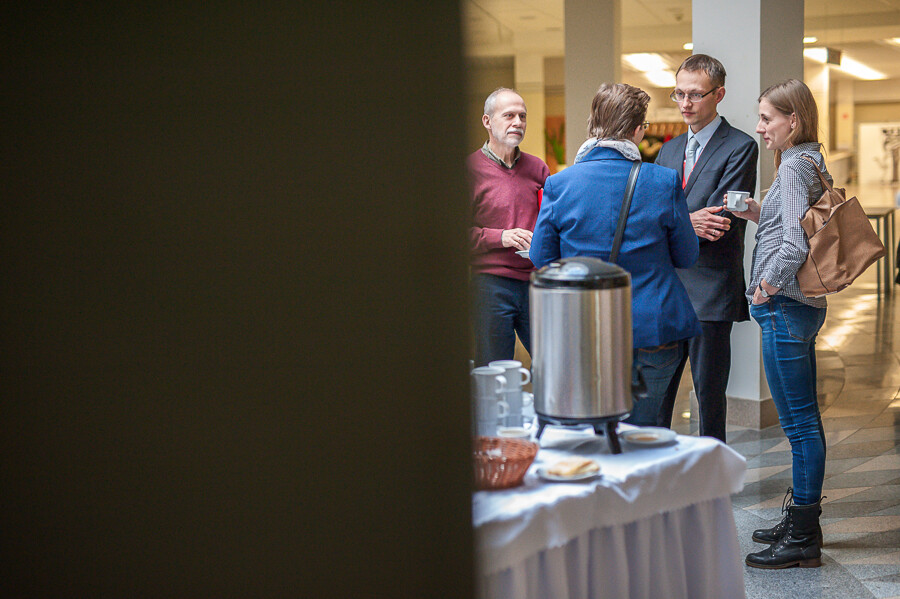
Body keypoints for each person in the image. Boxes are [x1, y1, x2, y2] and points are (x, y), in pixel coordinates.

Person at [530, 83, 700, 427]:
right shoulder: (663, 181)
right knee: (645, 435)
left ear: (593, 125)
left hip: (585, 329)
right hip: (653, 329)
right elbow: (686, 255)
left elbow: (541, 258)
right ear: (637, 130)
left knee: (593, 432)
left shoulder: (560, 184)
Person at [731, 79, 829, 569]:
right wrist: (758, 213)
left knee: (799, 424)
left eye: (767, 118)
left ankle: (803, 536)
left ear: (794, 119)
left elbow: (792, 245)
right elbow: (793, 227)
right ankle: (800, 520)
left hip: (785, 307)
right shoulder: (810, 161)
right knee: (804, 420)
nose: (760, 127)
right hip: (803, 306)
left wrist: (764, 287)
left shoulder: (791, 168)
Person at [655, 54, 759, 443]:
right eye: (679, 94)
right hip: (669, 288)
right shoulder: (667, 150)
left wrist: (671, 223)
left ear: (719, 94)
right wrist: (684, 221)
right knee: (659, 395)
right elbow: (654, 215)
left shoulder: (741, 147)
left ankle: (711, 472)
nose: (685, 103)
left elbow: (718, 221)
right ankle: (656, 467)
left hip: (711, 290)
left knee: (709, 398)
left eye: (695, 95)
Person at [468, 88, 550, 366]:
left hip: (536, 283)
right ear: (487, 121)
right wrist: (501, 237)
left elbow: (552, 220)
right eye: (509, 116)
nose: (518, 122)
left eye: (522, 116)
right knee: (495, 369)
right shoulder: (469, 170)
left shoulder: (538, 168)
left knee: (553, 364)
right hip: (491, 286)